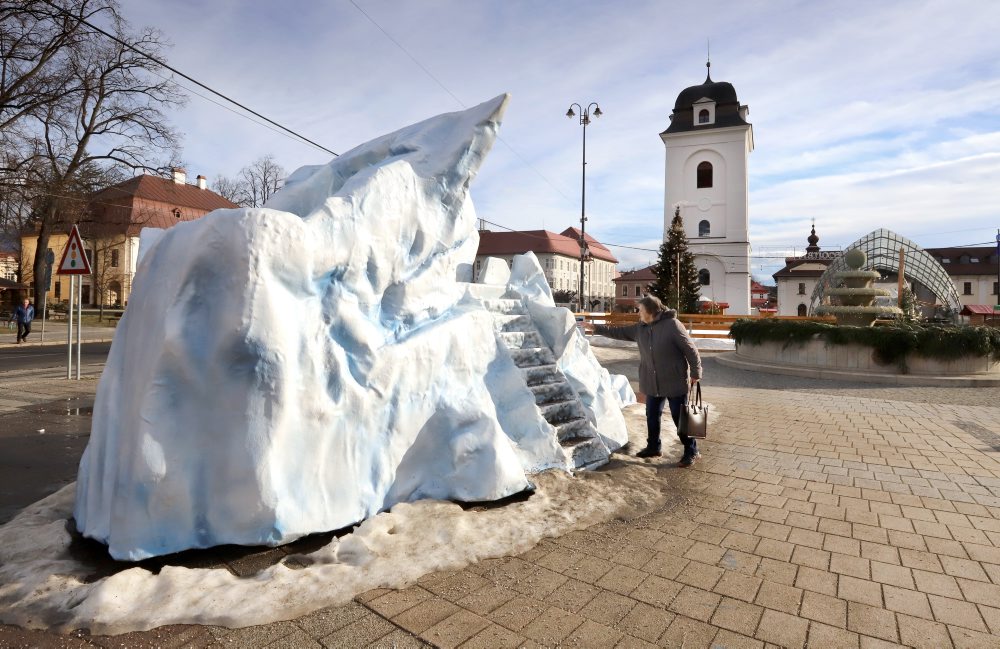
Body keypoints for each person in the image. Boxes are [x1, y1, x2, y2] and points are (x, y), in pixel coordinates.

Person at [588, 295, 703, 466]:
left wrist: (696, 372)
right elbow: (618, 332)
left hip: (674, 380)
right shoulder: (640, 328)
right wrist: (595, 328)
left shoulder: (672, 325)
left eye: (640, 310)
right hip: (652, 381)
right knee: (651, 416)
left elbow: (690, 349)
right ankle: (653, 447)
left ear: (650, 311)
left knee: (680, 418)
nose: (638, 313)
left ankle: (691, 450)